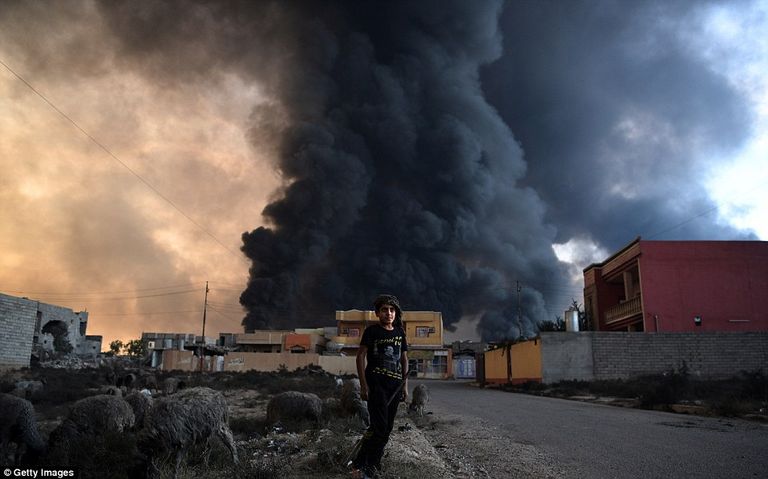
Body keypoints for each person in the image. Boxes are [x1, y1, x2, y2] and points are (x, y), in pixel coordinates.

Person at [351, 294, 409, 478]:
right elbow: (360, 356)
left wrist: (405, 387)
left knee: (386, 428)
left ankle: (363, 461)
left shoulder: (400, 333)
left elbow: (404, 359)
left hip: (395, 386)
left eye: (392, 310)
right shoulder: (372, 331)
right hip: (376, 385)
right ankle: (369, 466)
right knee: (379, 427)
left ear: (395, 313)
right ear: (377, 313)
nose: (388, 313)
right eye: (384, 310)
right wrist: (363, 386)